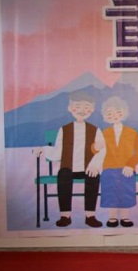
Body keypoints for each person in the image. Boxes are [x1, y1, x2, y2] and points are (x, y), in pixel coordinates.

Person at [34, 91, 106, 228]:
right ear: (70, 108)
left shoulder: (95, 130)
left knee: (93, 176)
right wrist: (44, 149)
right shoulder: (64, 130)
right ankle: (65, 216)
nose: (82, 110)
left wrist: (95, 165)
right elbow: (57, 152)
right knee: (63, 174)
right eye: (77, 106)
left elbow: (102, 149)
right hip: (68, 168)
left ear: (92, 109)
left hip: (87, 167)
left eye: (86, 107)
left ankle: (90, 215)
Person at [97, 96, 138, 228]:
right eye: (110, 113)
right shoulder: (104, 133)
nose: (114, 116)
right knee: (110, 190)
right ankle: (112, 216)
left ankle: (124, 217)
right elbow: (95, 150)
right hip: (109, 168)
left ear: (124, 113)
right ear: (105, 116)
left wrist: (130, 165)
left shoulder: (132, 132)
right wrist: (96, 147)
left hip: (126, 168)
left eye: (118, 112)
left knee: (126, 190)